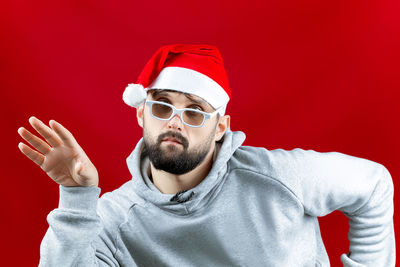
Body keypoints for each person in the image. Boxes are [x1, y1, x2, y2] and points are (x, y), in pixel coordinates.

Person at [18, 44, 395, 266]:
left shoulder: (280, 178)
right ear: (141, 114)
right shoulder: (113, 220)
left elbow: (374, 185)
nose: (175, 122)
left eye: (195, 111)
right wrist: (76, 198)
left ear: (220, 127)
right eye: (162, 107)